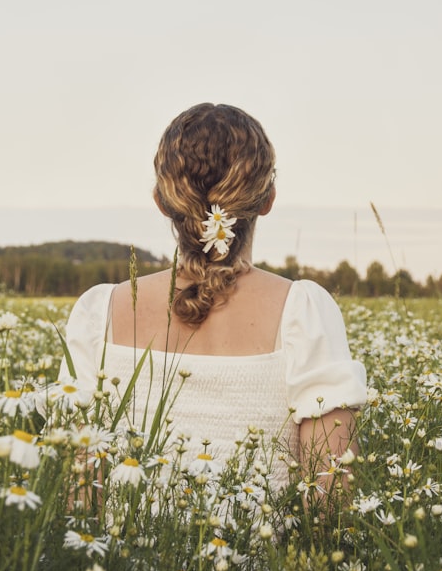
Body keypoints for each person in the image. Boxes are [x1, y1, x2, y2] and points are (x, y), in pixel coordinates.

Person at [58, 103, 367, 492]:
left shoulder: (98, 313)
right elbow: (331, 498)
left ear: (160, 200)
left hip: (124, 553)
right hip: (262, 556)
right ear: (268, 198)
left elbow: (80, 495)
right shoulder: (303, 312)